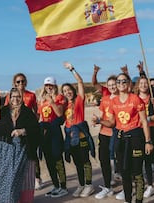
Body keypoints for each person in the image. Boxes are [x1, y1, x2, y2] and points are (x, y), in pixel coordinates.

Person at [93, 73, 153, 203]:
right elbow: (112, 123)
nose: (120, 84)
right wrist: (99, 121)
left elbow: (144, 121)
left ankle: (138, 200)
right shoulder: (113, 101)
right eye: (118, 82)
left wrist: (148, 141)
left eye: (123, 81)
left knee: (137, 173)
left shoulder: (136, 99)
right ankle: (127, 200)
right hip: (120, 139)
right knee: (125, 173)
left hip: (136, 138)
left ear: (129, 83)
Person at [0, 87, 40, 203]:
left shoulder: (27, 112)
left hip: (19, 152)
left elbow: (35, 129)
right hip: (3, 151)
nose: (16, 99)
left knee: (13, 179)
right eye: (13, 96)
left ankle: (11, 200)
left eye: (18, 96)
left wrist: (23, 131)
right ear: (9, 97)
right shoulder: (3, 111)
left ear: (22, 98)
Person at [62, 62, 96, 198]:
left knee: (85, 161)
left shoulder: (79, 100)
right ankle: (81, 184)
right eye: (64, 91)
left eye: (68, 89)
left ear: (73, 90)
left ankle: (89, 185)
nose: (67, 92)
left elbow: (80, 82)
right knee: (77, 163)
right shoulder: (65, 105)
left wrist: (72, 69)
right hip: (71, 138)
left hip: (82, 137)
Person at [4, 73, 42, 189]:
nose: (21, 84)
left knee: (32, 154)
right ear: (14, 83)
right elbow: (6, 112)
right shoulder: (10, 96)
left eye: (23, 81)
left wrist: (32, 126)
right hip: (15, 131)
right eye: (18, 82)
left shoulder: (31, 95)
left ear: (26, 82)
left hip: (28, 130)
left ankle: (37, 178)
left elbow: (37, 112)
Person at [37, 76, 68, 198]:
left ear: (55, 86)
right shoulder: (42, 100)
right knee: (49, 160)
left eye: (51, 85)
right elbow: (40, 117)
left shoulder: (60, 98)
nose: (49, 88)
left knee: (57, 159)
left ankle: (63, 186)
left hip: (55, 131)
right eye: (46, 85)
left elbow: (60, 113)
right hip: (45, 133)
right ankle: (56, 185)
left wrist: (52, 101)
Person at [92, 72, 118, 199]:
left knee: (119, 161)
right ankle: (108, 187)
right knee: (104, 160)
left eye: (114, 84)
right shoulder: (105, 99)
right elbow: (102, 116)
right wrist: (96, 121)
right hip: (104, 133)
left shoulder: (121, 99)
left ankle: (127, 188)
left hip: (117, 134)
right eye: (110, 85)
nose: (112, 87)